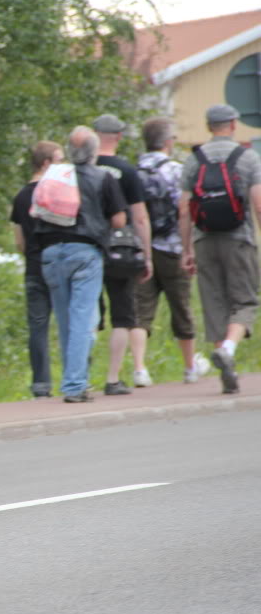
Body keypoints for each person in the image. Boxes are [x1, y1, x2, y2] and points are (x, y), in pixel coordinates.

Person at [35, 126, 127, 403]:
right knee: (81, 320)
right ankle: (75, 385)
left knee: (64, 321)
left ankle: (74, 380)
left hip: (50, 253)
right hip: (85, 253)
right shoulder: (103, 177)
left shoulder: (56, 175)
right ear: (94, 151)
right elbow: (120, 220)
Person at [178, 103, 261, 395]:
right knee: (245, 301)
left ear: (209, 126)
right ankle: (228, 348)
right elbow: (259, 203)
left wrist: (187, 249)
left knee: (214, 304)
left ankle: (228, 368)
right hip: (239, 238)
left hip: (204, 240)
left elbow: (184, 209)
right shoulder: (247, 157)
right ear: (233, 124)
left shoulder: (194, 160)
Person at [130, 117, 209, 386]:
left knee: (141, 312)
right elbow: (186, 209)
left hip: (143, 249)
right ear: (166, 142)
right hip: (173, 248)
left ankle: (140, 369)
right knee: (182, 308)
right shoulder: (178, 170)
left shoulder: (134, 172)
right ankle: (189, 368)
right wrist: (189, 248)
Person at [93, 113, 153, 396]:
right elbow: (140, 218)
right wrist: (147, 255)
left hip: (87, 248)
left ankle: (80, 378)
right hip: (120, 252)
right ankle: (113, 377)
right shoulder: (127, 172)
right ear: (118, 136)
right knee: (123, 316)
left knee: (89, 316)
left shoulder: (81, 168)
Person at [11, 140, 64, 397]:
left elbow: (19, 241)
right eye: (59, 160)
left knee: (38, 326)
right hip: (60, 265)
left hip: (33, 267)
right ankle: (74, 379)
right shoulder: (58, 193)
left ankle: (41, 385)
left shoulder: (21, 196)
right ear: (46, 163)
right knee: (69, 322)